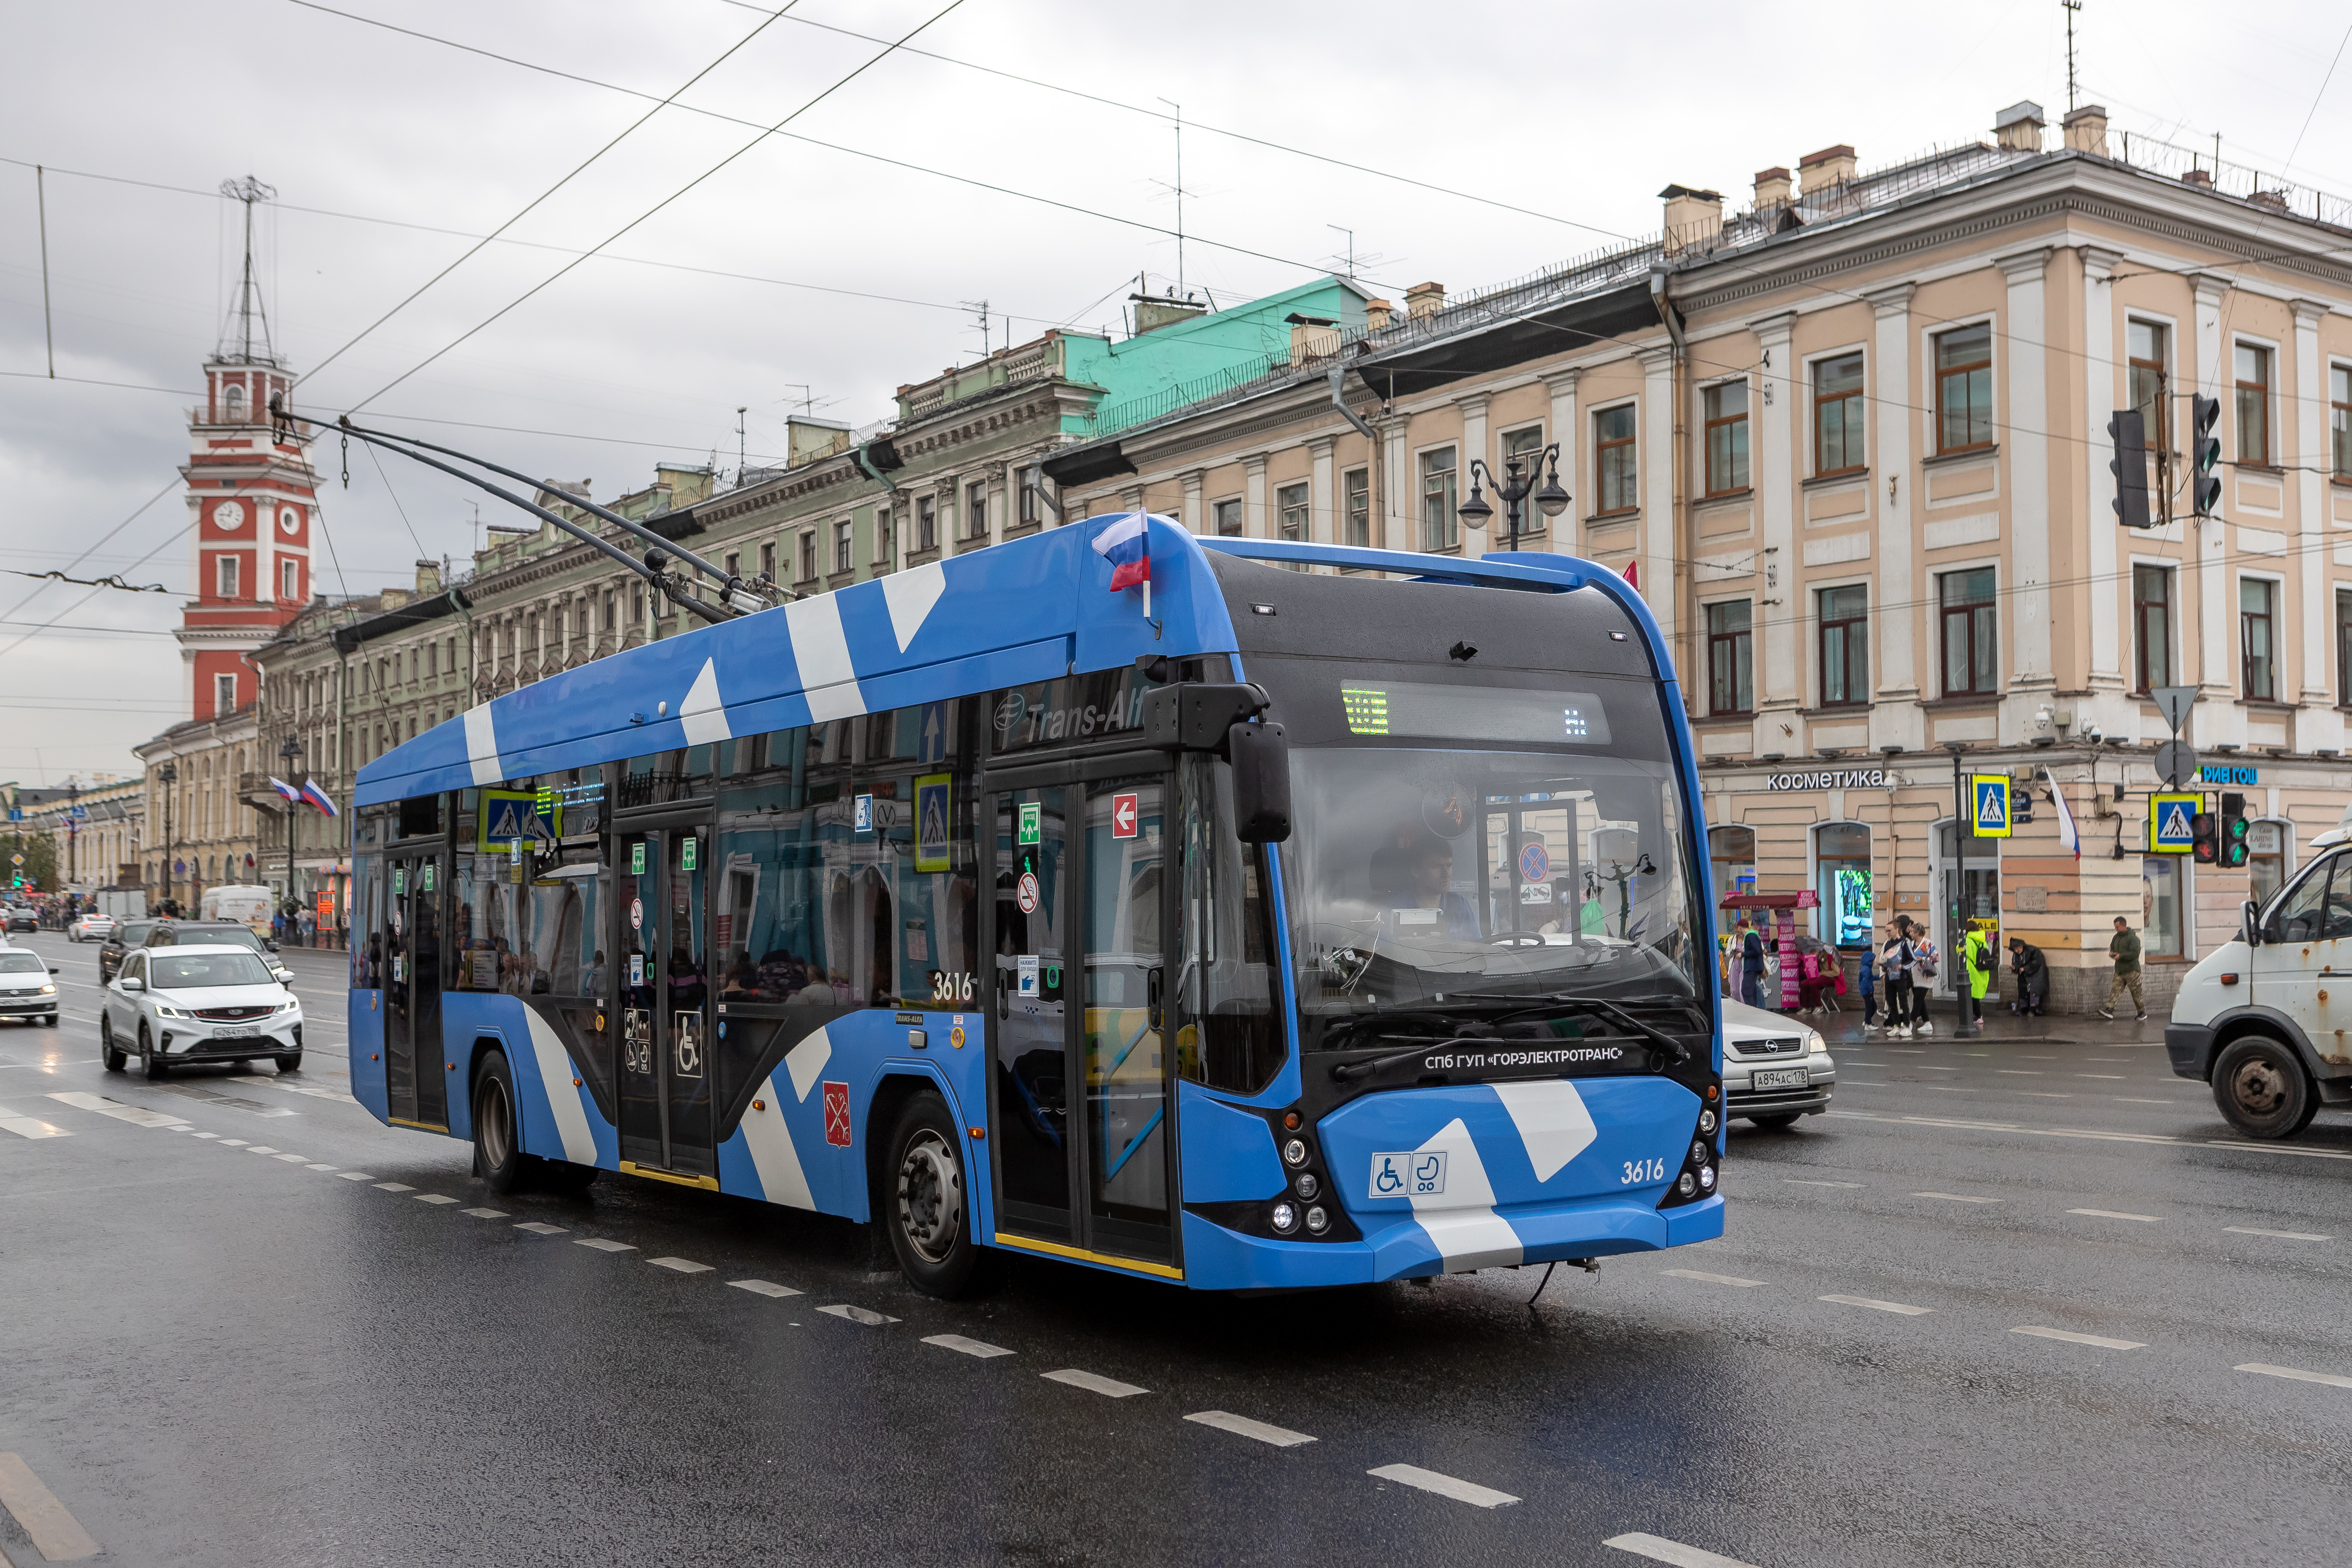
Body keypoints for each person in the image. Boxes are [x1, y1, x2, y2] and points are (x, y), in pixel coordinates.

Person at [1370, 832, 1480, 940]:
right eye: (1437, 867)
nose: (1447, 874)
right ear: (1416, 871)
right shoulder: (1393, 910)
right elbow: (1381, 953)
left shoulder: (1460, 904)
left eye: (1449, 866)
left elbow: (1477, 951)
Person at [2100, 916, 2146, 1021]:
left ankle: (2142, 1012)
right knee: (2115, 990)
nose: (2116, 929)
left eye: (2117, 926)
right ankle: (2110, 1010)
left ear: (2124, 925)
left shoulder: (2133, 939)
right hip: (2119, 970)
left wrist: (2121, 956)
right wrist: (2112, 954)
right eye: (2115, 926)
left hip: (2132, 971)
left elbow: (2135, 954)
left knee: (2136, 993)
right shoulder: (2116, 938)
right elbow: (2113, 948)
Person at [1880, 921, 1915, 1039]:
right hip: (1890, 976)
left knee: (1903, 1002)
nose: (1888, 933)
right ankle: (1896, 1025)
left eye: (1889, 930)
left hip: (1901, 977)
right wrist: (1883, 964)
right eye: (1886, 931)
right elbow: (1885, 958)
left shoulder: (1905, 943)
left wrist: (1903, 966)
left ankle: (1906, 1025)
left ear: (1896, 929)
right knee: (1891, 1002)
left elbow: (1913, 960)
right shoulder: (1888, 944)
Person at [1904, 917, 1938, 1035]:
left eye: (1912, 931)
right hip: (1914, 977)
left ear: (1918, 932)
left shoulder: (1928, 944)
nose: (1910, 933)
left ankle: (1910, 1024)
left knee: (1918, 1000)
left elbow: (1936, 957)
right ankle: (1927, 1023)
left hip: (1925, 977)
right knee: (1919, 999)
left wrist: (1923, 958)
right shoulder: (1911, 943)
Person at [1961, 924, 1993, 1032]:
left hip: (1972, 970)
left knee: (1972, 995)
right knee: (1976, 996)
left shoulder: (1968, 940)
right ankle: (1977, 1016)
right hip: (1982, 971)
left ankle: (1977, 1017)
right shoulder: (1982, 940)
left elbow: (1960, 950)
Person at [2008, 937, 2048, 1016]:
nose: (2016, 951)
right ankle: (2023, 1008)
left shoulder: (2032, 950)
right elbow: (2016, 965)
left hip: (2035, 975)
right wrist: (2015, 969)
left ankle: (2033, 1009)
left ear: (2022, 947)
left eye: (2018, 949)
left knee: (2034, 991)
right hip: (2024, 976)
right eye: (2015, 949)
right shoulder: (2016, 955)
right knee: (2023, 991)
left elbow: (2036, 962)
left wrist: (2025, 968)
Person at [1740, 916, 1767, 1008]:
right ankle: (1756, 1009)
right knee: (1753, 990)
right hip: (1753, 967)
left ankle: (1752, 1010)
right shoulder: (1752, 935)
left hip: (1752, 967)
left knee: (1746, 990)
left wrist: (1743, 954)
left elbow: (1757, 951)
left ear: (1740, 927)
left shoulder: (1750, 936)